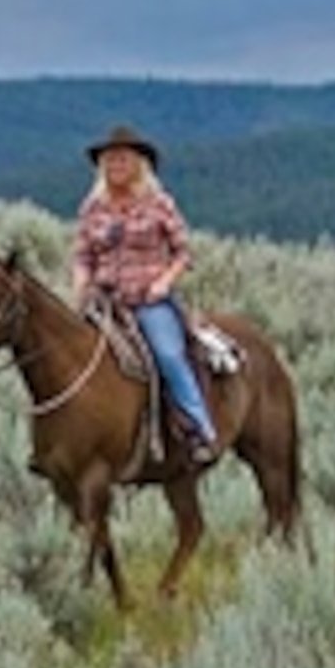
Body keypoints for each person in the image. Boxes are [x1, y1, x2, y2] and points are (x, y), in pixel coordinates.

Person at [70, 123, 220, 467]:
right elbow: (82, 255)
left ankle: (201, 429)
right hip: (103, 299)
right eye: (109, 160)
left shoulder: (158, 204)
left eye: (122, 159)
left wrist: (164, 283)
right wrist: (80, 287)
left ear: (139, 164)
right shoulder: (92, 209)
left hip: (148, 300)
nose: (114, 166)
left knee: (168, 355)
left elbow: (183, 252)